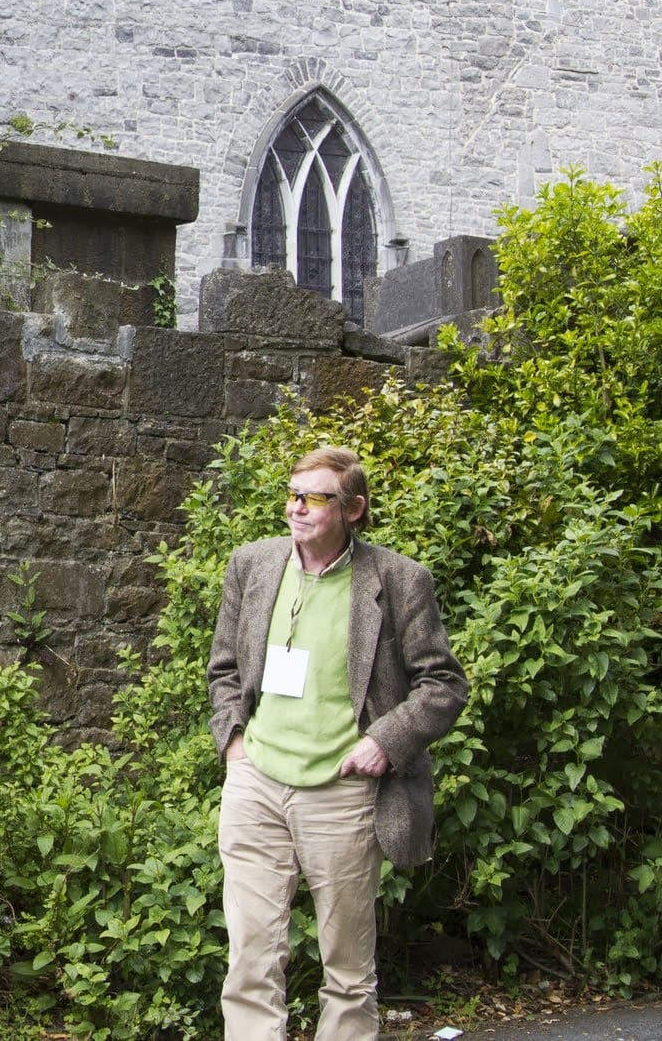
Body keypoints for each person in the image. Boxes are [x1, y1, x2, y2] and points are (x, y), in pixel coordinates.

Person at [206, 446, 468, 1041]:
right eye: (293, 493)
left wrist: (386, 742)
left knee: (347, 970)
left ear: (353, 509)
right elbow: (224, 668)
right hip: (256, 784)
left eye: (315, 497)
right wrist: (234, 744)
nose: (297, 508)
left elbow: (444, 683)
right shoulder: (253, 565)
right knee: (250, 957)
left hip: (343, 792)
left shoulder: (398, 581)